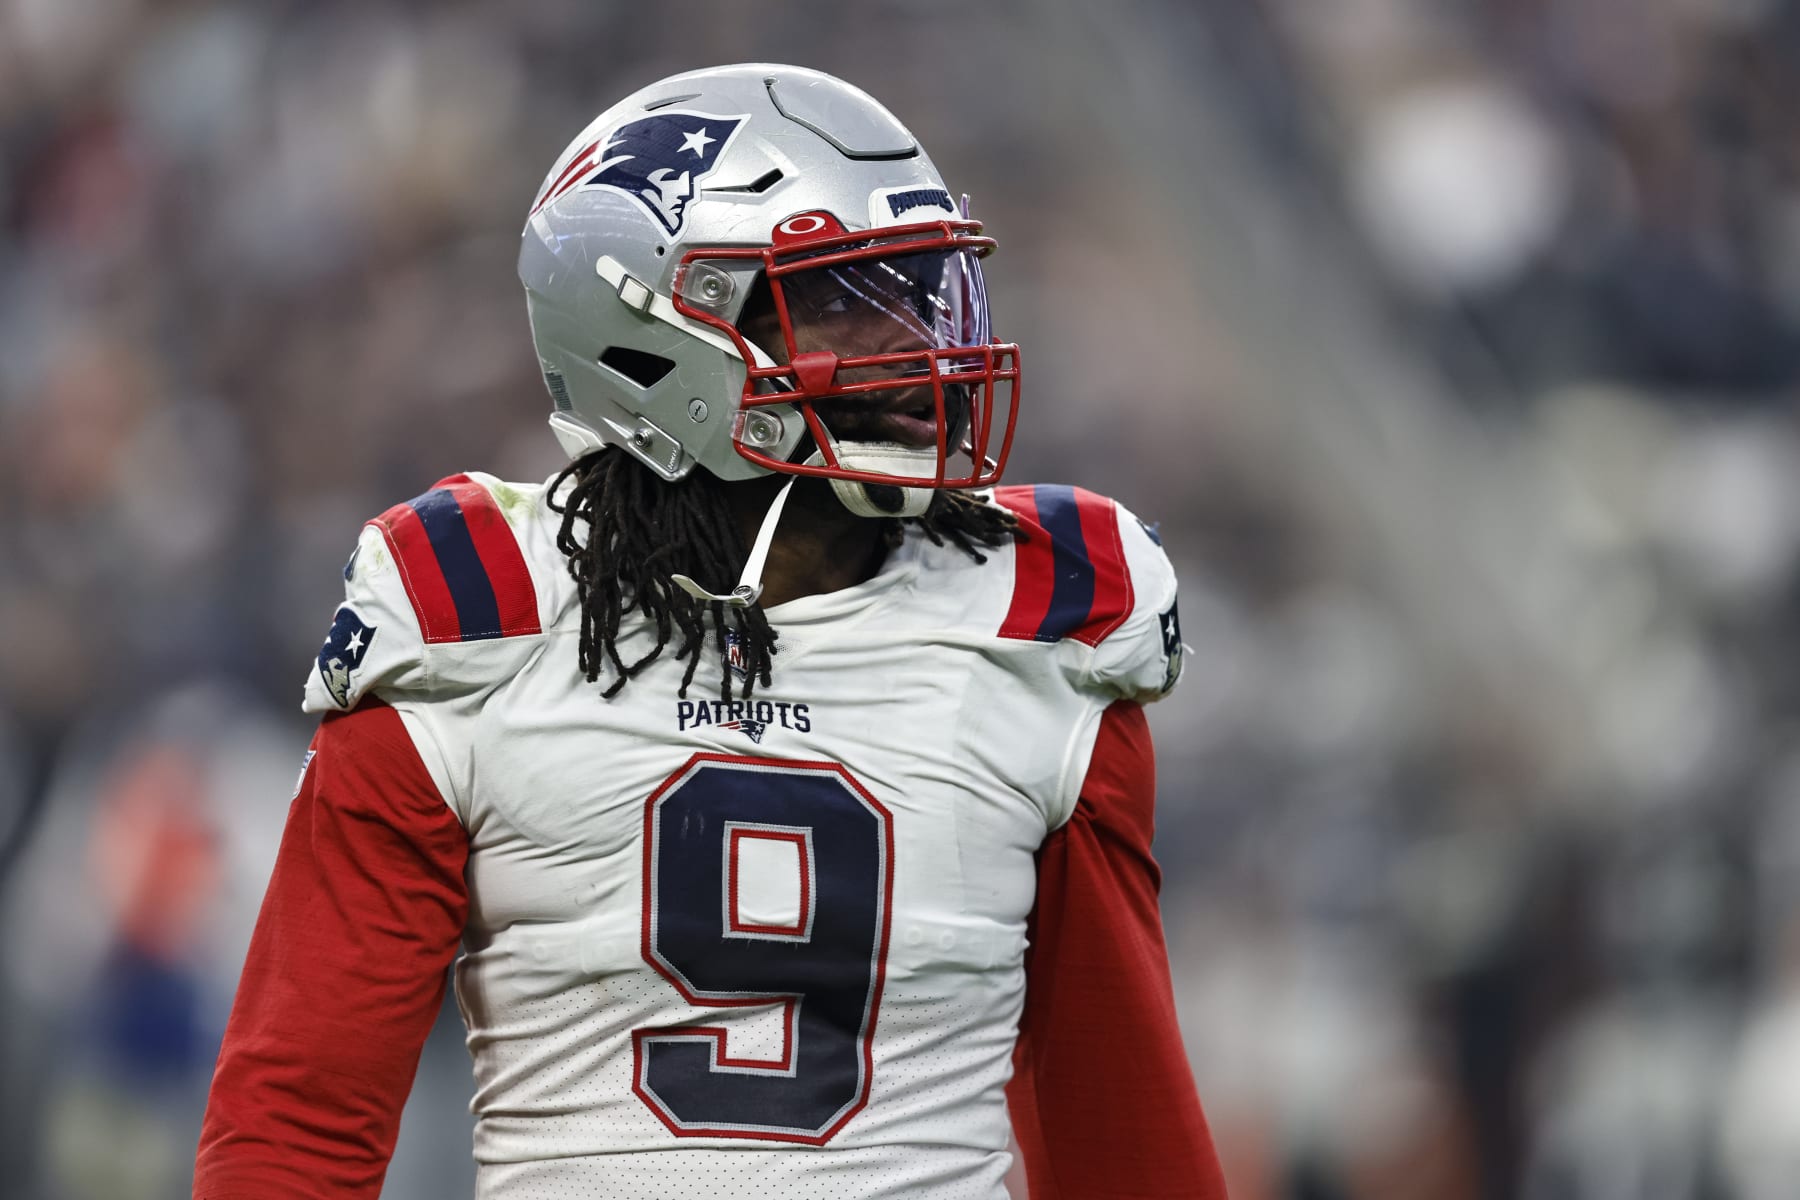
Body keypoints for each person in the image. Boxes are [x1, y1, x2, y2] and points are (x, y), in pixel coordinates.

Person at [193, 63, 1226, 1199]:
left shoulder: (1041, 625)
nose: (918, 348)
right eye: (841, 302)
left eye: (920, 292)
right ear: (654, 338)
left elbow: (1121, 1132)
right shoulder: (477, 620)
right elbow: (295, 1125)